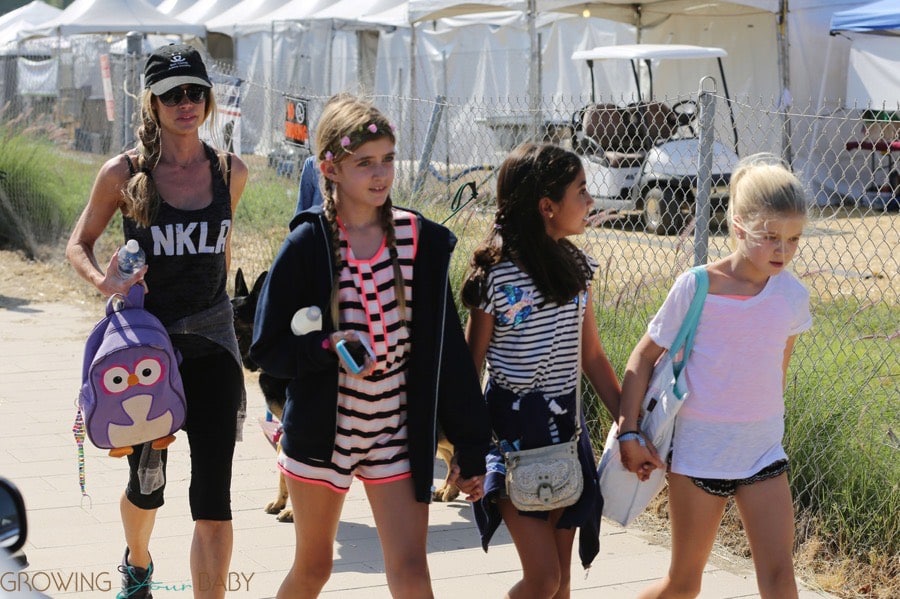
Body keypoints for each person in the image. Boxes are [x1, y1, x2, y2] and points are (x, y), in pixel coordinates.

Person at [249, 93, 492, 599]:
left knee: (410, 570)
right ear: (330, 169)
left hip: (395, 432)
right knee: (314, 570)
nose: (380, 175)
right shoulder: (307, 245)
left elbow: (447, 354)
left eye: (387, 160)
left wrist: (471, 446)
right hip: (322, 431)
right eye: (365, 163)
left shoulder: (419, 241)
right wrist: (324, 347)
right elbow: (266, 350)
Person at [66, 43, 248, 599]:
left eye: (195, 91)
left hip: (215, 351)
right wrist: (108, 283)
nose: (185, 103)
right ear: (153, 102)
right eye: (172, 95)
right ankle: (138, 564)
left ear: (208, 99)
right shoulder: (123, 172)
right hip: (148, 358)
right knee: (148, 488)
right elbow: (79, 244)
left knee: (214, 498)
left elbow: (220, 253)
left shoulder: (230, 171)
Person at [618, 153, 812, 599]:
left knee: (781, 579)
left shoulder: (792, 296)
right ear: (739, 226)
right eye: (770, 237)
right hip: (698, 455)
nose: (782, 251)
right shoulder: (696, 286)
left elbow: (775, 373)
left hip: (762, 452)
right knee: (684, 583)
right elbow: (643, 356)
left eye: (794, 239)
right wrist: (629, 431)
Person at [461, 142, 622, 597]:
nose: (591, 201)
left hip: (565, 437)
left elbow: (591, 357)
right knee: (543, 579)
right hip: (510, 440)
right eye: (582, 190)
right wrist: (464, 450)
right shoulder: (494, 276)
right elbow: (471, 368)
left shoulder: (579, 270)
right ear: (547, 207)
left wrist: (626, 423)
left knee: (562, 581)